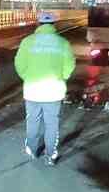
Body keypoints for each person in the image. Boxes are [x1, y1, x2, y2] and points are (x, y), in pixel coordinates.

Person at [14, 11, 75, 166]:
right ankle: (50, 154)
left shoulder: (28, 42)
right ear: (53, 25)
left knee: (32, 120)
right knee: (52, 123)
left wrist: (27, 77)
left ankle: (32, 150)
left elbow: (19, 64)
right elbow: (70, 65)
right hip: (54, 90)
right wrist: (62, 77)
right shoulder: (62, 43)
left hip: (32, 89)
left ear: (39, 24)